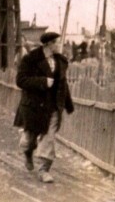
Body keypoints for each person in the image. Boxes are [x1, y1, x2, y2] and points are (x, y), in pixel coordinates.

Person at [13, 31, 74, 183]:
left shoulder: (60, 61)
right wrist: (42, 82)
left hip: (53, 106)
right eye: (56, 42)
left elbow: (63, 84)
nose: (59, 45)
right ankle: (28, 153)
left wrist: (68, 104)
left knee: (49, 138)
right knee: (28, 140)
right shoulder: (30, 59)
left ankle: (44, 170)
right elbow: (20, 80)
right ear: (48, 44)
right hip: (34, 106)